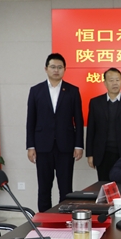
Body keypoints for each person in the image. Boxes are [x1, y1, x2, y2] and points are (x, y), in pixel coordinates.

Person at [26, 53, 84, 212]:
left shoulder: (72, 91)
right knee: (44, 187)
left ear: (65, 69)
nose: (56, 70)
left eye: (59, 67)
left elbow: (79, 120)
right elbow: (31, 121)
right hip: (42, 146)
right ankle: (44, 219)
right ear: (46, 69)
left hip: (66, 146)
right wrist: (30, 146)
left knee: (66, 187)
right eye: (53, 67)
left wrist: (79, 145)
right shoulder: (36, 91)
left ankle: (64, 218)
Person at [86, 68, 121, 181]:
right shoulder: (95, 102)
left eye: (117, 80)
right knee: (104, 185)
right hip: (102, 154)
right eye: (111, 80)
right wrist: (90, 154)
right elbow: (91, 130)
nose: (115, 83)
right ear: (105, 83)